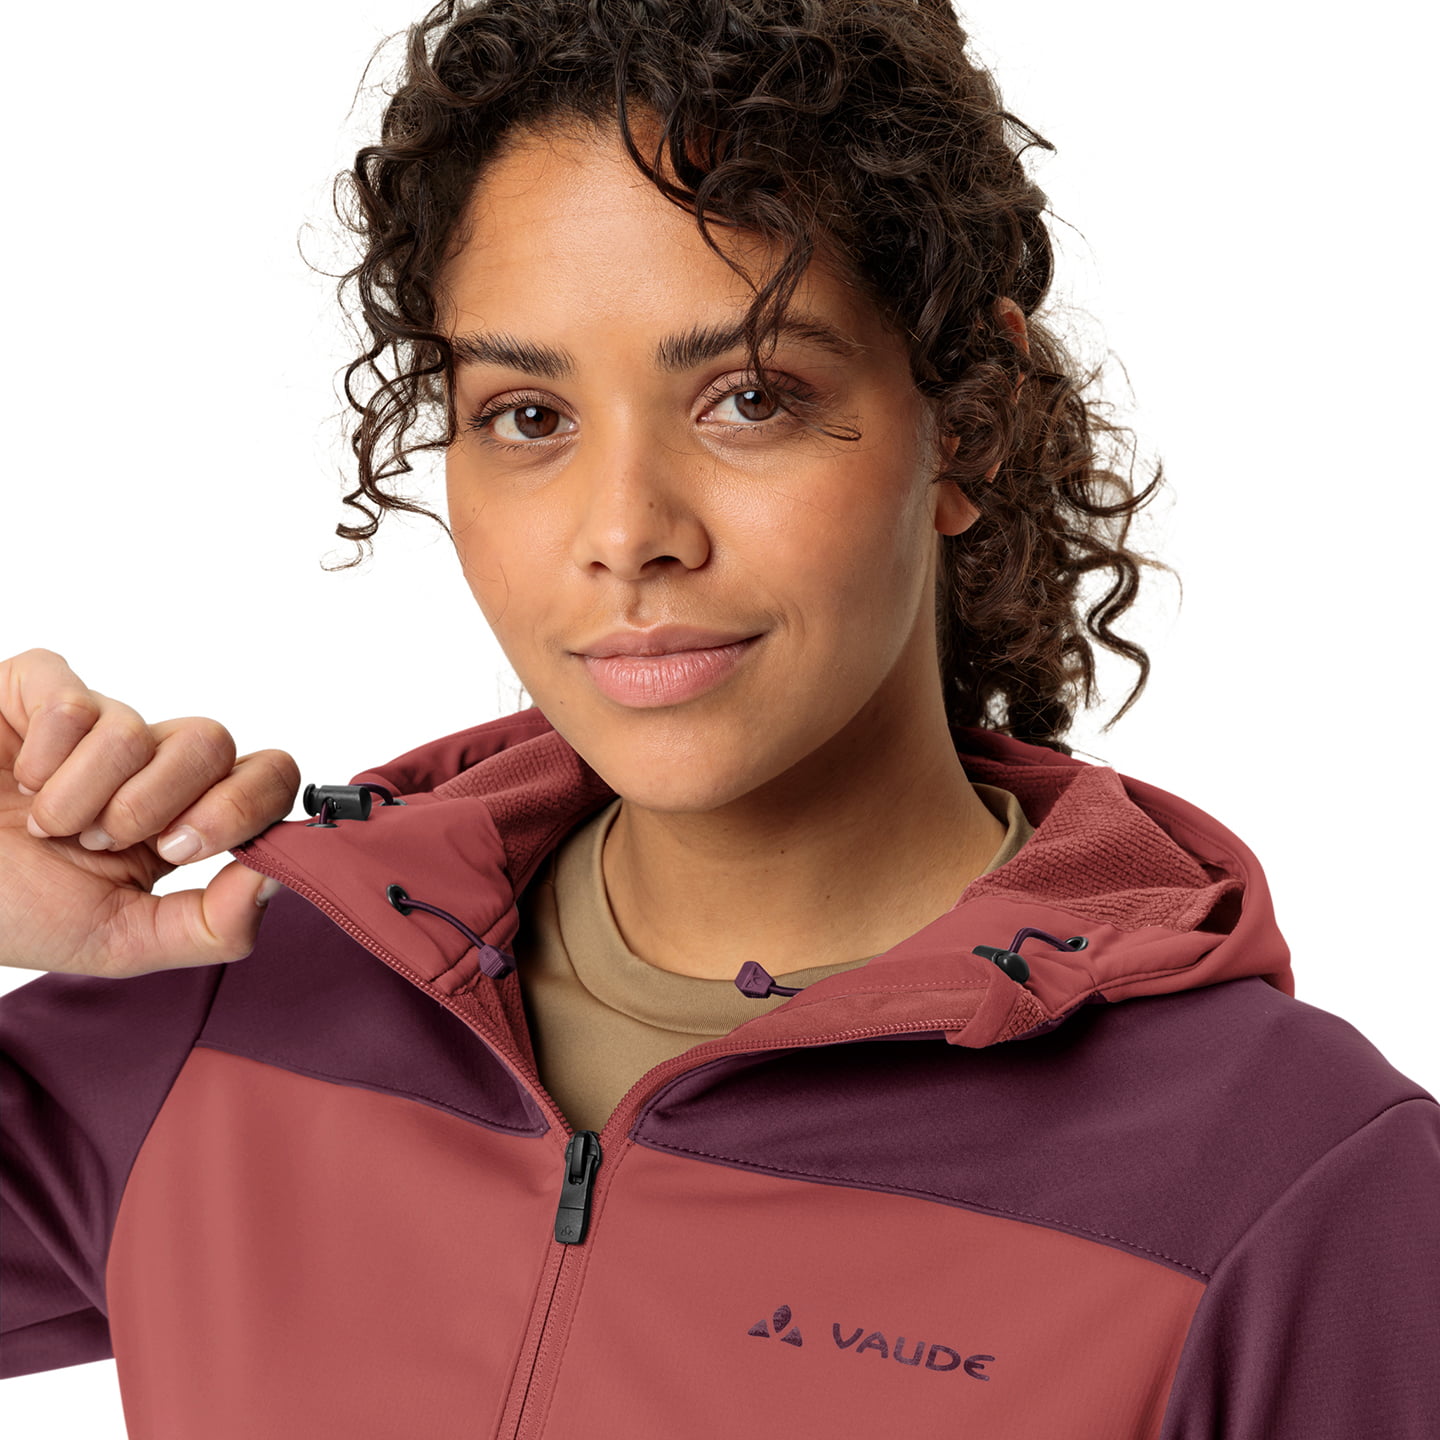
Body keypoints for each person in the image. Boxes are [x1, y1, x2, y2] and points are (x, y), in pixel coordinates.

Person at [2, 0, 1436, 1435]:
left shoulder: (1286, 1182)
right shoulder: (234, 1009)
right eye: (528, 415)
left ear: (969, 427)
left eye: (750, 398)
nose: (626, 533)